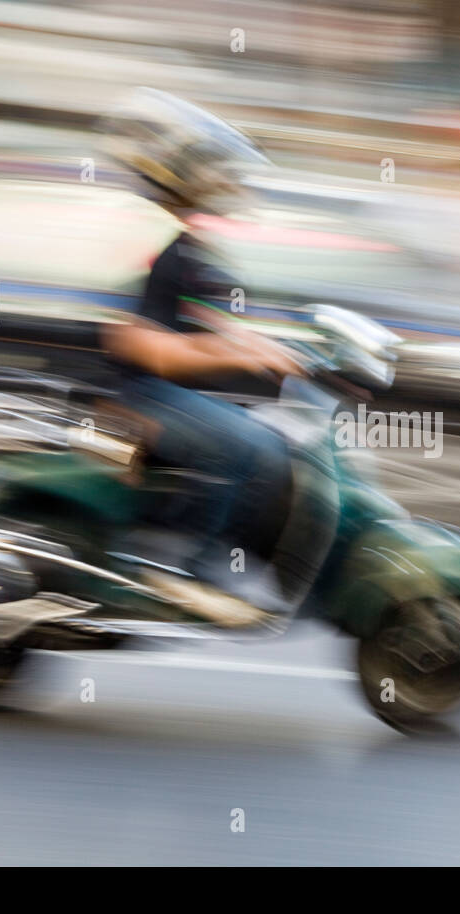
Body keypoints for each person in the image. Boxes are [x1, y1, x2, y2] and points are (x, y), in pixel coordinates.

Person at [97, 91, 303, 588]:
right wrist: (236, 351)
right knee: (246, 447)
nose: (227, 184)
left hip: (169, 390)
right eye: (215, 171)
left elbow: (212, 324)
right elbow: (145, 346)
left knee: (278, 445)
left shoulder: (189, 243)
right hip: (139, 394)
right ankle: (180, 568)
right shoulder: (150, 235)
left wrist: (271, 349)